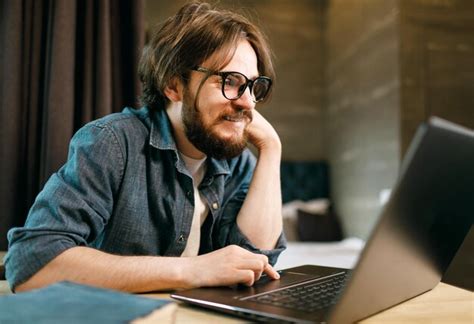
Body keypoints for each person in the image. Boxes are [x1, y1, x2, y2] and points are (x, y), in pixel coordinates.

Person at [5, 1, 286, 293]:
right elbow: (31, 265)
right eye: (230, 81)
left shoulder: (236, 162)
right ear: (174, 86)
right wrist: (194, 270)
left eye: (254, 86)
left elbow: (257, 262)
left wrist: (272, 148)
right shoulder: (112, 143)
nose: (247, 102)